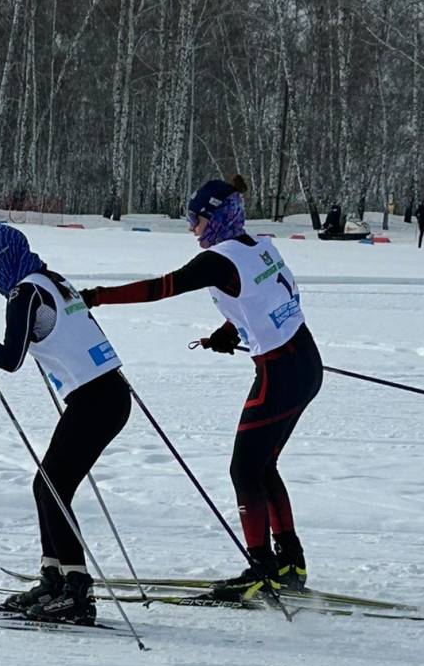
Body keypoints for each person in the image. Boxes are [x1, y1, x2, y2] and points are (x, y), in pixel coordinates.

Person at [81, 175, 322, 601]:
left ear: (216, 218)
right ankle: (290, 563)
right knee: (261, 466)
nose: (192, 229)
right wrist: (231, 330)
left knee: (244, 469)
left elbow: (160, 288)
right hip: (305, 362)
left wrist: (97, 297)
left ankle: (261, 570)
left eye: (196, 220)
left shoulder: (218, 260)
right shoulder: (260, 246)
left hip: (280, 374)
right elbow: (264, 297)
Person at [0, 223, 131, 625]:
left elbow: (10, 360)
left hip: (97, 400)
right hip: (107, 394)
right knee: (46, 486)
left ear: (0, 259)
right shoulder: (52, 279)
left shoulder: (24, 293)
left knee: (52, 489)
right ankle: (54, 578)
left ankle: (76, 590)